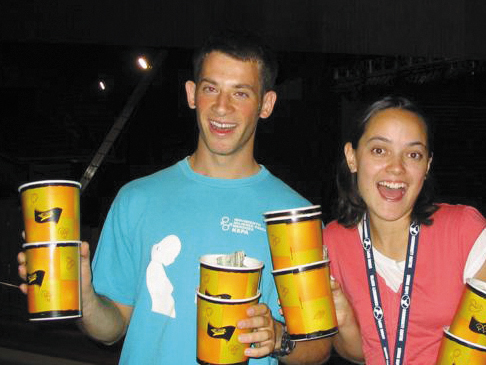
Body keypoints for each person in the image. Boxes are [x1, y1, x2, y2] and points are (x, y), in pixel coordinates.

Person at [18, 30, 331, 364]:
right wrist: (82, 297)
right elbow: (110, 330)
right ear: (192, 94)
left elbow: (319, 349)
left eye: (240, 93)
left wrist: (279, 337)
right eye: (211, 88)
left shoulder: (294, 214)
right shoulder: (135, 199)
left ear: (266, 104)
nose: (221, 107)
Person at [323, 96, 486, 364]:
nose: (396, 167)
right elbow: (363, 353)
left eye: (413, 154)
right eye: (379, 150)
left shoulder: (463, 232)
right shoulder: (333, 242)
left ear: (427, 166)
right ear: (352, 157)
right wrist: (345, 318)